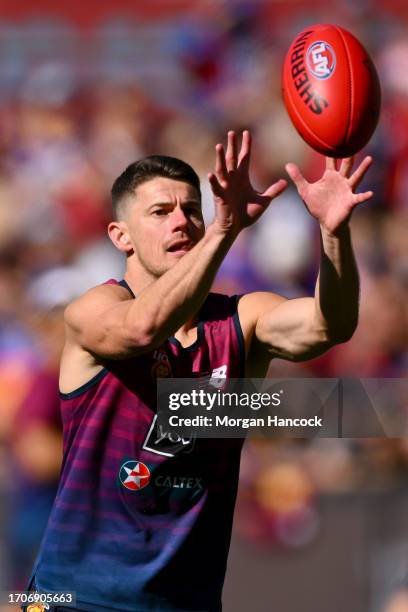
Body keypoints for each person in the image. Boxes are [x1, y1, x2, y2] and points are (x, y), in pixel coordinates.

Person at [25, 130, 373, 612]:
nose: (182, 222)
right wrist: (223, 232)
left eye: (192, 210)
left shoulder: (240, 319)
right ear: (120, 236)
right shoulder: (93, 310)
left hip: (186, 603)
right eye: (160, 212)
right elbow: (142, 329)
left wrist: (335, 234)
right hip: (76, 598)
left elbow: (329, 326)